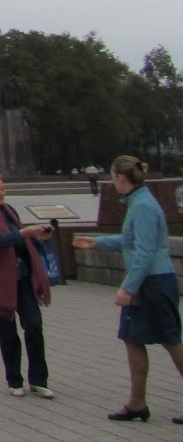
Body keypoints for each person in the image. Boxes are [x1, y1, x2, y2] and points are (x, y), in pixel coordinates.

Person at [73, 156, 183, 422]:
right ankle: (137, 403)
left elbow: (145, 251)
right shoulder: (139, 202)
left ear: (121, 179)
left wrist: (128, 287)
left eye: (112, 177)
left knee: (171, 340)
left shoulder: (143, 205)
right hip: (150, 281)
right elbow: (130, 240)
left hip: (153, 283)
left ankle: (137, 402)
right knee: (132, 338)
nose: (111, 182)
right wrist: (97, 243)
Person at [0, 171, 54, 399]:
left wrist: (36, 235)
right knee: (8, 330)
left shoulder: (9, 211)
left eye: (3, 189)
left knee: (34, 324)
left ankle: (39, 380)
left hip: (22, 275)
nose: (1, 193)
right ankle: (14, 379)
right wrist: (22, 233)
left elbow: (20, 239)